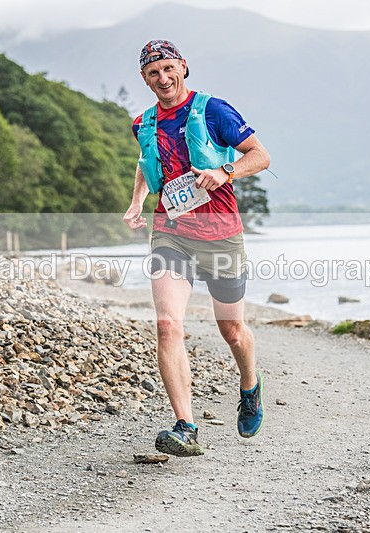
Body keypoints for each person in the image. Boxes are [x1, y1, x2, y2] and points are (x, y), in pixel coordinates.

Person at [123, 40, 271, 456]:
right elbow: (144, 162)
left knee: (232, 331)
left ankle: (250, 385)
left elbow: (261, 156)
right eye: (154, 73)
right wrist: (137, 201)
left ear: (183, 67)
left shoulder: (213, 110)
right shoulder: (143, 122)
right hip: (170, 232)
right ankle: (185, 426)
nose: (163, 78)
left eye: (169, 69)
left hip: (221, 234)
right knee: (167, 325)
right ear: (144, 79)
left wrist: (226, 171)